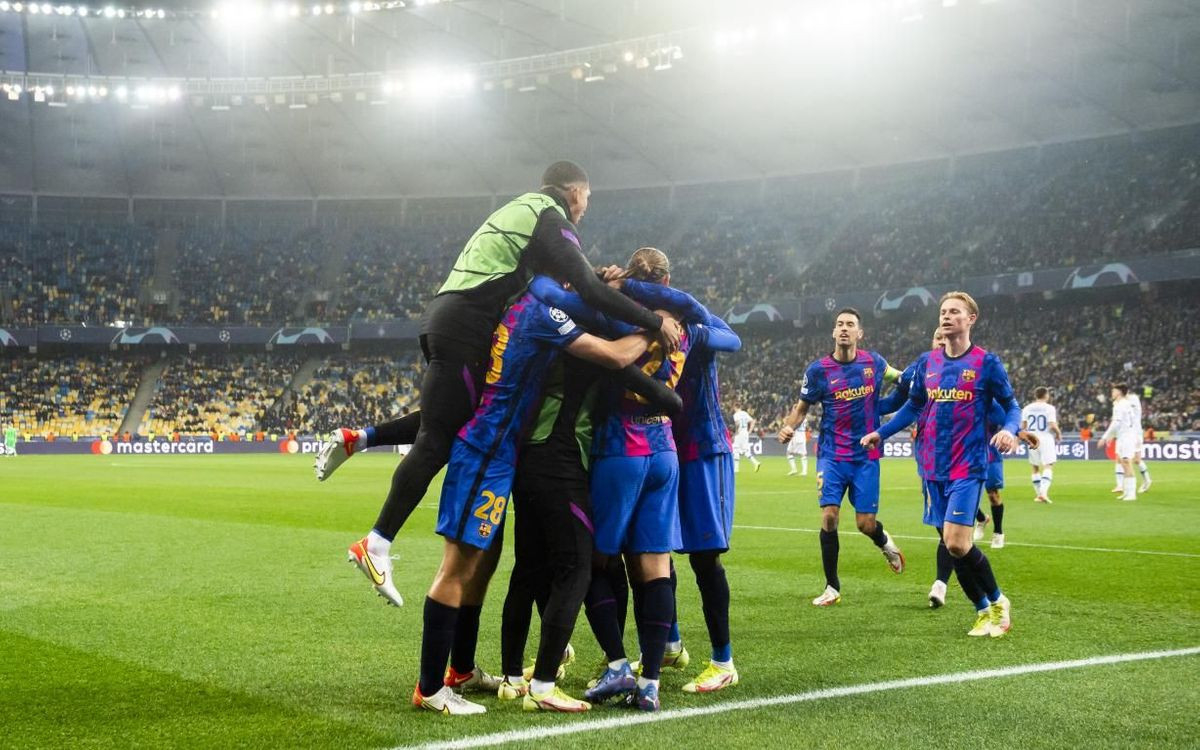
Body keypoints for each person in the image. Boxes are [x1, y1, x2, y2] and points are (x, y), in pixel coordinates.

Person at [329, 162, 683, 607]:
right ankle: (377, 543)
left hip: (453, 320)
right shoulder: (549, 216)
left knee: (459, 412)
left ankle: (361, 439)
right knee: (437, 439)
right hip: (466, 328)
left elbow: (571, 280)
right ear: (574, 190)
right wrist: (653, 321)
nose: (586, 209)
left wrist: (597, 278)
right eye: (588, 199)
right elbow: (588, 292)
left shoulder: (523, 212)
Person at [411, 278, 663, 715]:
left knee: (498, 567)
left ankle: (479, 674)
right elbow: (618, 355)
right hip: (507, 456)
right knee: (472, 567)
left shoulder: (522, 326)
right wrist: (656, 324)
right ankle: (442, 687)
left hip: (512, 460)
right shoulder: (546, 316)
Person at [493, 275, 686, 713]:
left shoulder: (545, 323)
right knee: (597, 565)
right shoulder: (588, 335)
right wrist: (656, 324)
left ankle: (520, 675)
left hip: (549, 458)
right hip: (587, 459)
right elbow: (662, 390)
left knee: (541, 567)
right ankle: (626, 680)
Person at [862, 292, 1020, 638]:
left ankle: (998, 601)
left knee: (957, 544)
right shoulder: (927, 362)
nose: (946, 316)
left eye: (954, 312)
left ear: (971, 319)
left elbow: (1011, 406)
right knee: (953, 545)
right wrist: (882, 432)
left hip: (967, 465)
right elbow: (912, 407)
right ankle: (982, 611)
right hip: (933, 467)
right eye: (943, 312)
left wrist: (1010, 430)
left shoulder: (986, 363)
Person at [581, 248, 691, 713]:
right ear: (667, 277)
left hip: (621, 448)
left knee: (595, 561)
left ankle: (616, 664)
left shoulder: (619, 321)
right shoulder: (684, 327)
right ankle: (650, 683)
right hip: (664, 450)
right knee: (655, 565)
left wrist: (608, 286)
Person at [777, 308, 906, 608]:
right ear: (833, 333)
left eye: (850, 325)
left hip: (866, 454)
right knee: (829, 515)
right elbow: (801, 408)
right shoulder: (818, 371)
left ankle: (884, 542)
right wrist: (788, 426)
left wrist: (912, 384)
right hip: (832, 454)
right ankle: (832, 586)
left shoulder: (875, 362)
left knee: (865, 524)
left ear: (860, 333)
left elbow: (900, 379)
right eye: (839, 325)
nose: (844, 329)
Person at [1098, 383, 1139, 502]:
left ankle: (1132, 494)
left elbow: (1116, 423)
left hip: (1127, 436)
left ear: (1119, 392)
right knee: (1122, 462)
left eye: (1114, 391)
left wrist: (1105, 437)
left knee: (1126, 462)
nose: (1112, 393)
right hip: (1122, 436)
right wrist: (1112, 436)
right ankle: (1127, 492)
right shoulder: (1120, 404)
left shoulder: (1121, 405)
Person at [1022, 387, 1062, 503]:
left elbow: (1023, 426)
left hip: (1032, 438)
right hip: (1045, 437)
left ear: (1036, 395)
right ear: (1046, 395)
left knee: (1035, 467)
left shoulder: (1027, 408)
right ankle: (1043, 493)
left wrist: (1018, 439)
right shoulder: (1049, 408)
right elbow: (1052, 424)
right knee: (1048, 465)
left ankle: (1039, 494)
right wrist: (1059, 434)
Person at [1128, 391, 1152, 492]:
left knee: (1130, 459)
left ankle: (1129, 487)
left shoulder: (1133, 401)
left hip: (1136, 435)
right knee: (1135, 460)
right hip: (1131, 434)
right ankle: (1146, 480)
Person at [730, 407, 760, 473]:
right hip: (745, 433)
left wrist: (735, 433)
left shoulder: (736, 415)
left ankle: (736, 469)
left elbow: (737, 424)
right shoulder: (745, 413)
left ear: (735, 407)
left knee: (735, 449)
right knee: (745, 451)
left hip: (739, 433)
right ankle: (756, 462)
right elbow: (753, 421)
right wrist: (750, 431)